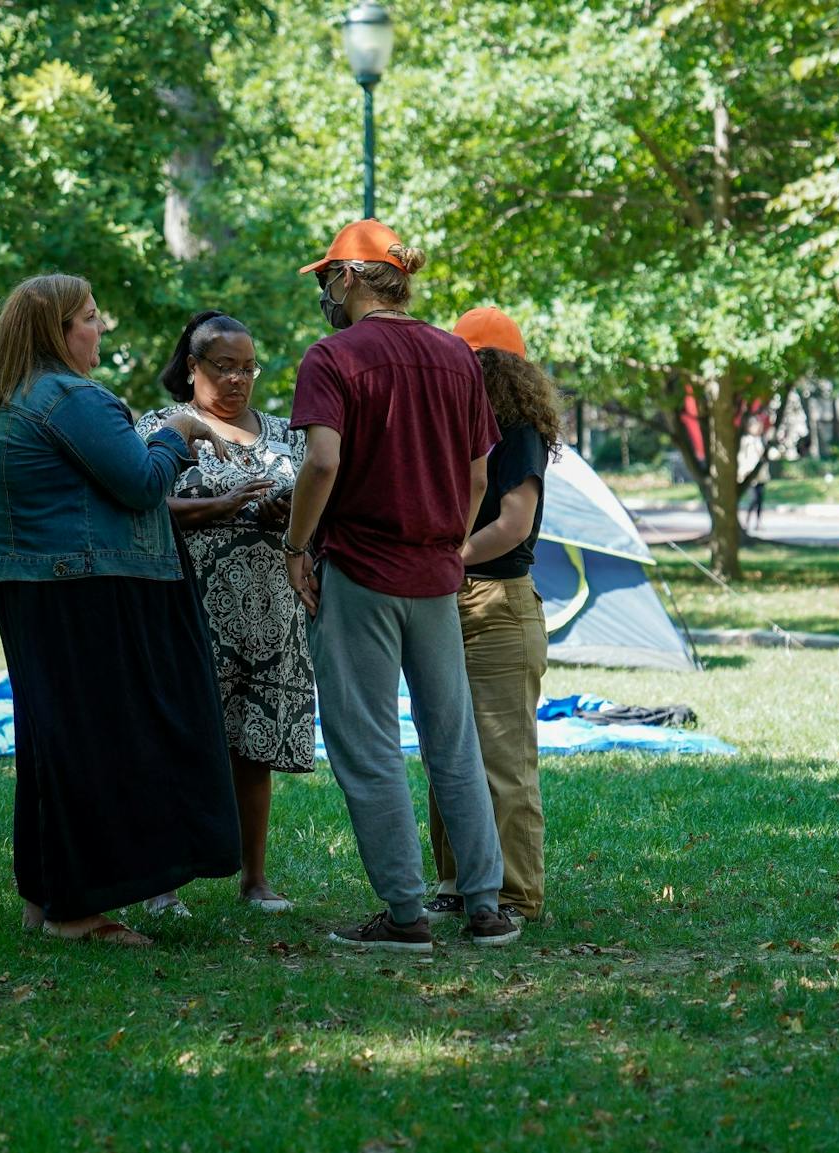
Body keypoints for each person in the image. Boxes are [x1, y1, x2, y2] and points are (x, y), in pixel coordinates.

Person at [0, 273, 240, 947]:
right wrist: (179, 429)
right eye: (89, 318)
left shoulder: (2, 400)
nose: (100, 328)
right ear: (57, 332)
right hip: (81, 589)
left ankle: (46, 897)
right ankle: (79, 913)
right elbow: (142, 483)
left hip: (32, 587)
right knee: (94, 746)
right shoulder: (70, 397)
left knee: (53, 744)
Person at [283, 219, 517, 952]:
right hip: (436, 575)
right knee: (454, 740)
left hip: (360, 570)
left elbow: (323, 462)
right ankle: (486, 905)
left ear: (350, 277)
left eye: (328, 276)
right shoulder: (456, 356)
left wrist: (296, 545)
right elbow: (477, 475)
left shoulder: (331, 356)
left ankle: (406, 914)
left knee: (369, 742)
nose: (326, 291)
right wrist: (448, 542)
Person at [136, 311, 313, 915]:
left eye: (249, 368)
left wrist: (288, 516)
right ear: (193, 367)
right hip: (190, 610)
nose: (239, 379)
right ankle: (163, 884)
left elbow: (318, 503)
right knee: (179, 742)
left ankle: (254, 879)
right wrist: (219, 506)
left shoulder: (288, 435)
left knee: (253, 748)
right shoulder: (161, 428)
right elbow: (141, 504)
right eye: (224, 367)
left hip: (271, 614)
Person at [420, 306, 559, 927]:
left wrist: (449, 561)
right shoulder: (454, 429)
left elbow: (513, 523)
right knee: (447, 754)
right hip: (447, 600)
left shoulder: (519, 430)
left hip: (499, 605)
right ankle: (456, 882)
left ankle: (516, 895)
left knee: (504, 763)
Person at [737, 415, 769, 533]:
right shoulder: (745, 441)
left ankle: (758, 522)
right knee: (754, 498)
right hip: (750, 473)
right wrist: (743, 471)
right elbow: (741, 457)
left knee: (760, 499)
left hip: (761, 474)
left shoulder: (761, 440)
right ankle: (747, 521)